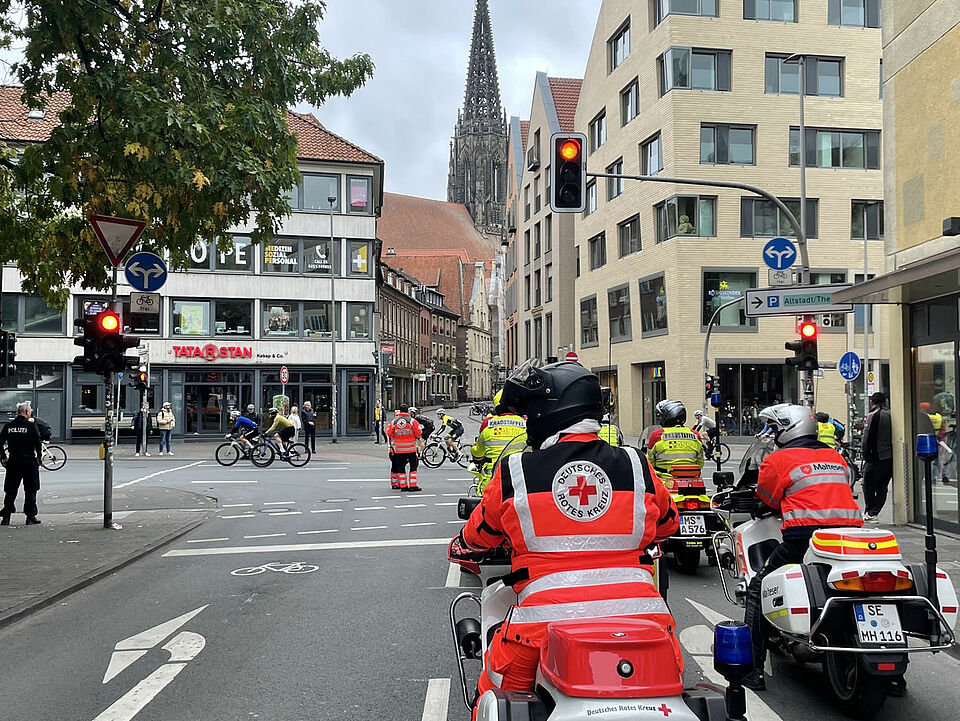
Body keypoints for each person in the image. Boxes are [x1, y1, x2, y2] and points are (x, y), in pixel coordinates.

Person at [454, 362, 680, 706]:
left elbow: (480, 532)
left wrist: (465, 544)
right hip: (645, 628)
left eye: (531, 413)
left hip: (539, 629)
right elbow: (667, 525)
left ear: (548, 411)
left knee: (495, 695)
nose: (529, 422)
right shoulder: (637, 464)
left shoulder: (517, 471)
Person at [742, 403, 862, 690]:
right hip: (849, 538)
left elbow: (768, 500)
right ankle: (895, 681)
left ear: (787, 428)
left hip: (805, 539)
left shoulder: (778, 459)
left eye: (774, 428)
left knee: (758, 589)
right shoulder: (835, 456)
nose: (771, 434)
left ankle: (752, 670)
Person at [470, 390, 526, 493]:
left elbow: (477, 452)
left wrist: (475, 450)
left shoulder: (488, 426)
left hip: (491, 482)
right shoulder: (526, 425)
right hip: (518, 481)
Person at [0, 401, 43, 526]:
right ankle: (30, 516)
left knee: (11, 489)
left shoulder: (9, 426)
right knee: (31, 489)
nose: (30, 413)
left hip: (13, 461)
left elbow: (0, 442)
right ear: (26, 412)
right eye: (29, 411)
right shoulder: (31, 426)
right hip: (29, 461)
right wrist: (39, 457)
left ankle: (6, 517)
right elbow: (37, 442)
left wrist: (3, 457)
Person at [647, 400, 704, 486]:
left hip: (665, 482)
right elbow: (700, 462)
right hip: (692, 483)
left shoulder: (658, 435)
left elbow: (649, 462)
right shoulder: (695, 435)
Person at [861, 392, 893, 521]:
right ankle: (873, 512)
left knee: (867, 484)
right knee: (882, 486)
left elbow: (866, 438)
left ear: (872, 402)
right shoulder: (891, 415)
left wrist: (865, 454)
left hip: (876, 456)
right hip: (889, 456)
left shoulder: (872, 416)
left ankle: (871, 511)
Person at [386, 403, 422, 491]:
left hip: (399, 450)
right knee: (413, 466)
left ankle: (403, 486)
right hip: (410, 449)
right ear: (408, 411)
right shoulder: (412, 421)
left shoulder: (394, 422)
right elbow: (419, 433)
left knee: (401, 467)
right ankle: (413, 485)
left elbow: (389, 433)